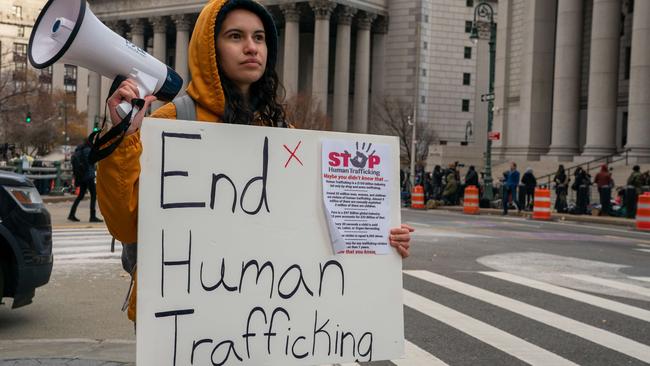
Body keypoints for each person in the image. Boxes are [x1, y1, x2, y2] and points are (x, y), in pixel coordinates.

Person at [95, 0, 413, 322]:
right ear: (210, 48)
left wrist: (379, 236)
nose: (251, 47)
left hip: (259, 314)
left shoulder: (281, 131)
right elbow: (125, 224)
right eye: (236, 36)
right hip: (181, 316)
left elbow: (312, 220)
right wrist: (124, 139)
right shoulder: (172, 121)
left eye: (259, 38)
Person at [68, 140, 103, 223]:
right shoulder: (87, 150)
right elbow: (90, 162)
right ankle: (92, 216)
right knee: (94, 195)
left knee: (80, 196)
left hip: (82, 176)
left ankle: (71, 214)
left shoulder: (80, 150)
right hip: (88, 176)